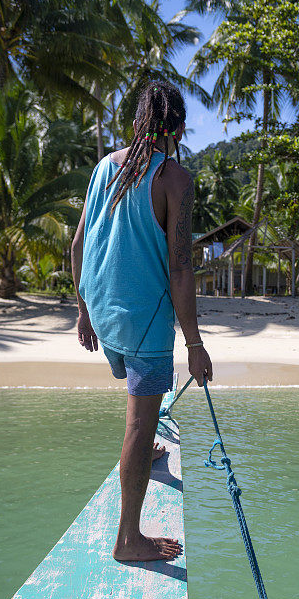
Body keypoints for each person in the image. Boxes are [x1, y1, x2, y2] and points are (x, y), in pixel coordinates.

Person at [71, 80, 213, 562]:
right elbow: (179, 267)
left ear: (137, 122)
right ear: (178, 128)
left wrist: (84, 309)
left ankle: (147, 444)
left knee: (138, 407)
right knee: (138, 419)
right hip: (143, 322)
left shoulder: (103, 167)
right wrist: (194, 343)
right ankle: (128, 538)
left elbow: (78, 245)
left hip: (104, 314)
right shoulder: (174, 180)